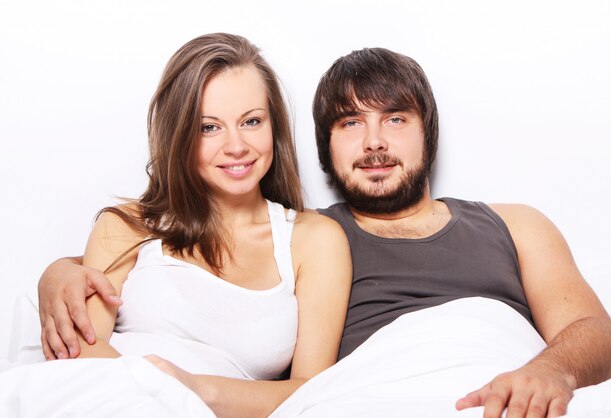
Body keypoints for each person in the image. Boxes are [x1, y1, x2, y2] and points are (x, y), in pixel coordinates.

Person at [38, 47, 611, 418]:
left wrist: (549, 370)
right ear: (322, 147)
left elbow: (594, 333)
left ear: (428, 134)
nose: (374, 142)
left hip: (507, 387)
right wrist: (59, 270)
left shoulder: (515, 224)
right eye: (351, 123)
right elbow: (168, 261)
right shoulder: (316, 238)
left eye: (395, 119)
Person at [7, 32, 352, 418]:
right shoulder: (125, 227)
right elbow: (80, 348)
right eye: (209, 127)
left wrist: (191, 389)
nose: (236, 146)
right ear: (180, 134)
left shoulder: (314, 240)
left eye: (251, 121)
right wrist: (160, 392)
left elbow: (311, 392)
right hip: (96, 400)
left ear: (275, 125)